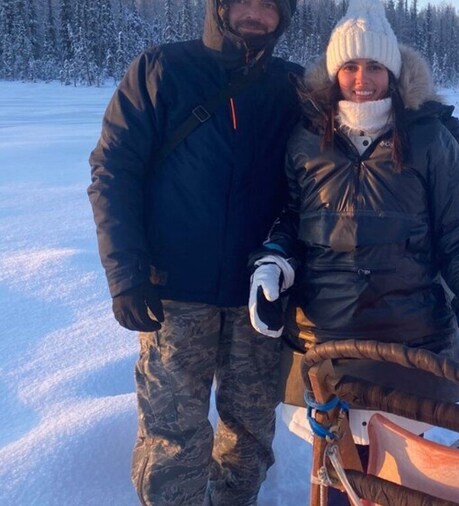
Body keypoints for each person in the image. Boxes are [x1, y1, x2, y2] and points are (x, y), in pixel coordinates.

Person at [247, 0, 459, 497]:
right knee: (340, 477)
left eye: (373, 67)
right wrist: (274, 261)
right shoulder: (306, 140)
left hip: (411, 347)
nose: (361, 79)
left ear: (392, 71)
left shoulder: (429, 139)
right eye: (349, 67)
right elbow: (290, 216)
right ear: (333, 72)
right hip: (326, 344)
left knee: (403, 481)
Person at [86, 0, 302, 503]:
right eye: (243, 0)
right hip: (173, 293)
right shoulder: (162, 69)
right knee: (173, 436)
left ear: (283, 16)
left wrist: (431, 123)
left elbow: (361, 111)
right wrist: (126, 274)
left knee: (248, 432)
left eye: (269, 5)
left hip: (258, 297)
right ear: (219, 6)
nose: (255, 13)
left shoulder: (294, 87)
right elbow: (113, 173)